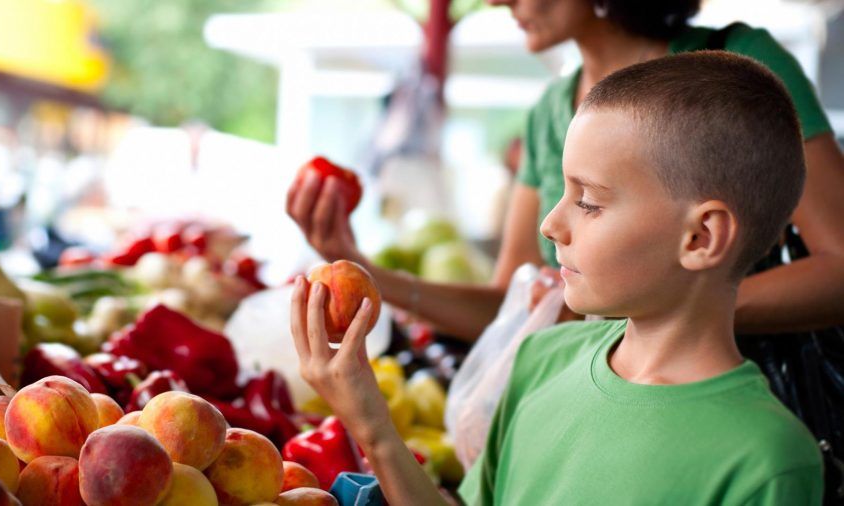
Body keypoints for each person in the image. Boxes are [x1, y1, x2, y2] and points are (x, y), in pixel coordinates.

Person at [290, 52, 823, 505]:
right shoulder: (540, 360)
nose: (550, 224)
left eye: (588, 202)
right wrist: (371, 425)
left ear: (701, 238)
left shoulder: (768, 461)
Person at [286, 0, 844, 341]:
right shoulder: (550, 110)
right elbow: (515, 307)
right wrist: (364, 274)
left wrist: (671, 307)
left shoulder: (743, 68)